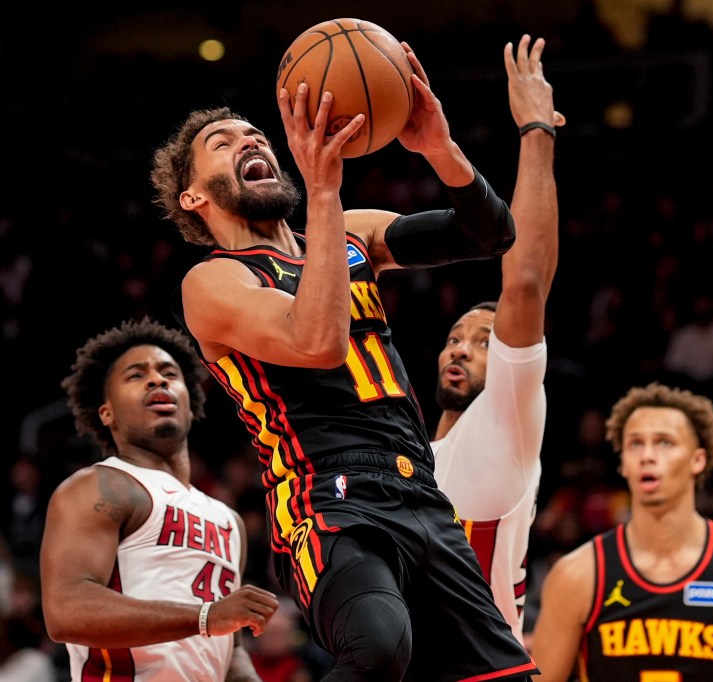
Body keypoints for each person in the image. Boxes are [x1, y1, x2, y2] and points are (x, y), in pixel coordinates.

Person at [149, 35, 538, 681]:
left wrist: (438, 148)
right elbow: (315, 341)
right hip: (326, 494)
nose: (250, 141)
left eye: (255, 135)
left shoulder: (352, 233)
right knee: (379, 648)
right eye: (224, 143)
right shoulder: (213, 281)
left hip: (420, 491)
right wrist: (323, 192)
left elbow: (491, 233)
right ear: (195, 197)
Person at [529, 382, 713, 681]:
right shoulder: (577, 575)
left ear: (698, 459)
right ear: (623, 463)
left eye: (664, 442)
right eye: (635, 443)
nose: (647, 455)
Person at [39, 318, 279, 682]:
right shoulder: (99, 486)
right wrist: (206, 617)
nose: (157, 379)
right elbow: (66, 611)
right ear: (107, 412)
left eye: (170, 373)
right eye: (136, 375)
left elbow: (229, 648)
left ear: (189, 400)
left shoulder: (229, 520)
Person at [431, 34, 560, 645]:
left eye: (482, 341)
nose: (460, 348)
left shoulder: (504, 424)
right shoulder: (403, 455)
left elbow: (527, 283)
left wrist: (536, 131)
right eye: (456, 337)